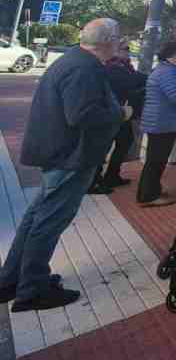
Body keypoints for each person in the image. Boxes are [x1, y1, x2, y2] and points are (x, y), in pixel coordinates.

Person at [0, 19, 130, 311]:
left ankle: (11, 279)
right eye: (118, 37)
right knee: (48, 221)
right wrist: (120, 114)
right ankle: (31, 289)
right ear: (108, 40)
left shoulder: (74, 59)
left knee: (36, 218)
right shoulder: (85, 68)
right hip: (70, 157)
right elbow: (81, 115)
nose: (121, 42)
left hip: (60, 153)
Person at [138, 40, 176, 207]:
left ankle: (151, 191)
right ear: (168, 56)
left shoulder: (169, 70)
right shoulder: (168, 73)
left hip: (162, 121)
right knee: (156, 161)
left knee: (156, 160)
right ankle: (148, 195)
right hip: (162, 123)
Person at [90, 38, 147, 192]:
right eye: (125, 48)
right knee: (105, 147)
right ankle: (94, 180)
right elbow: (132, 82)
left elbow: (138, 77)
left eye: (128, 48)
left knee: (124, 142)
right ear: (115, 50)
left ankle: (111, 175)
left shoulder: (125, 66)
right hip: (113, 113)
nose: (128, 51)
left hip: (122, 113)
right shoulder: (113, 67)